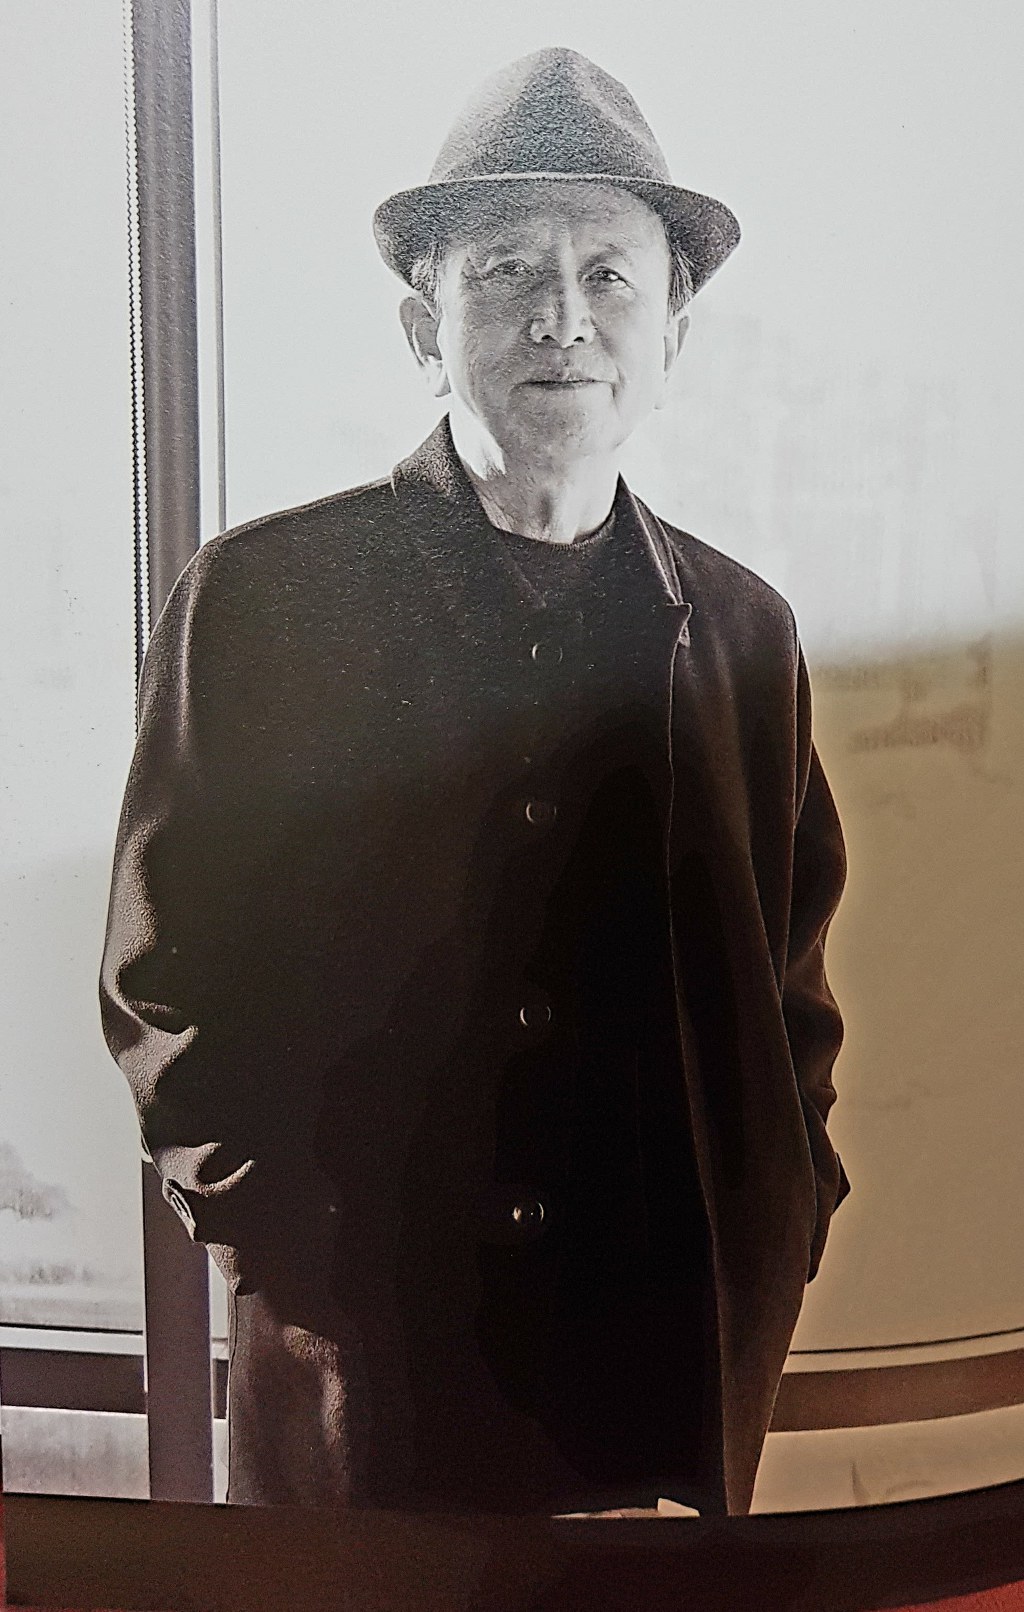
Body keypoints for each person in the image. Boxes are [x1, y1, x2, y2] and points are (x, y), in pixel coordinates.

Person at [100, 46, 850, 1518]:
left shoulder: (746, 631)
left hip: (661, 1376)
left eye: (608, 275)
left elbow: (790, 983)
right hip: (373, 1377)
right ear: (421, 327)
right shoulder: (263, 599)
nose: (562, 317)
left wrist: (788, 1208)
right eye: (507, 271)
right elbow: (162, 970)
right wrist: (284, 1247)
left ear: (672, 334)